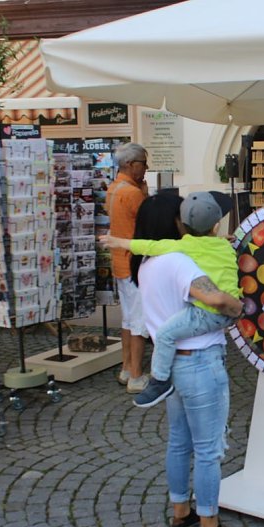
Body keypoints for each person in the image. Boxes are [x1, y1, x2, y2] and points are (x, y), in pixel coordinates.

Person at [131, 193, 252, 527]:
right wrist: (237, 308)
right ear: (176, 223)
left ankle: (181, 511)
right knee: (209, 449)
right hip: (200, 363)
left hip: (172, 369)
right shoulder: (180, 261)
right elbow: (215, 299)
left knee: (179, 443)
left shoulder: (150, 263)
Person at [100, 191, 240, 408]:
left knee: (165, 334)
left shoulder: (176, 252)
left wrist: (118, 241)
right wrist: (239, 306)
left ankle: (160, 380)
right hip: (211, 340)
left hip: (205, 319)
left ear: (182, 224)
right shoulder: (222, 246)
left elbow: (150, 246)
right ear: (215, 226)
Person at [105, 142, 150, 394]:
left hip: (120, 262)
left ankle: (126, 368)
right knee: (139, 322)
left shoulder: (113, 189)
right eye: (143, 163)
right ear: (132, 165)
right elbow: (147, 222)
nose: (145, 168)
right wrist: (144, 194)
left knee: (128, 319)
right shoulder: (132, 193)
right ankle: (136, 375)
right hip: (135, 263)